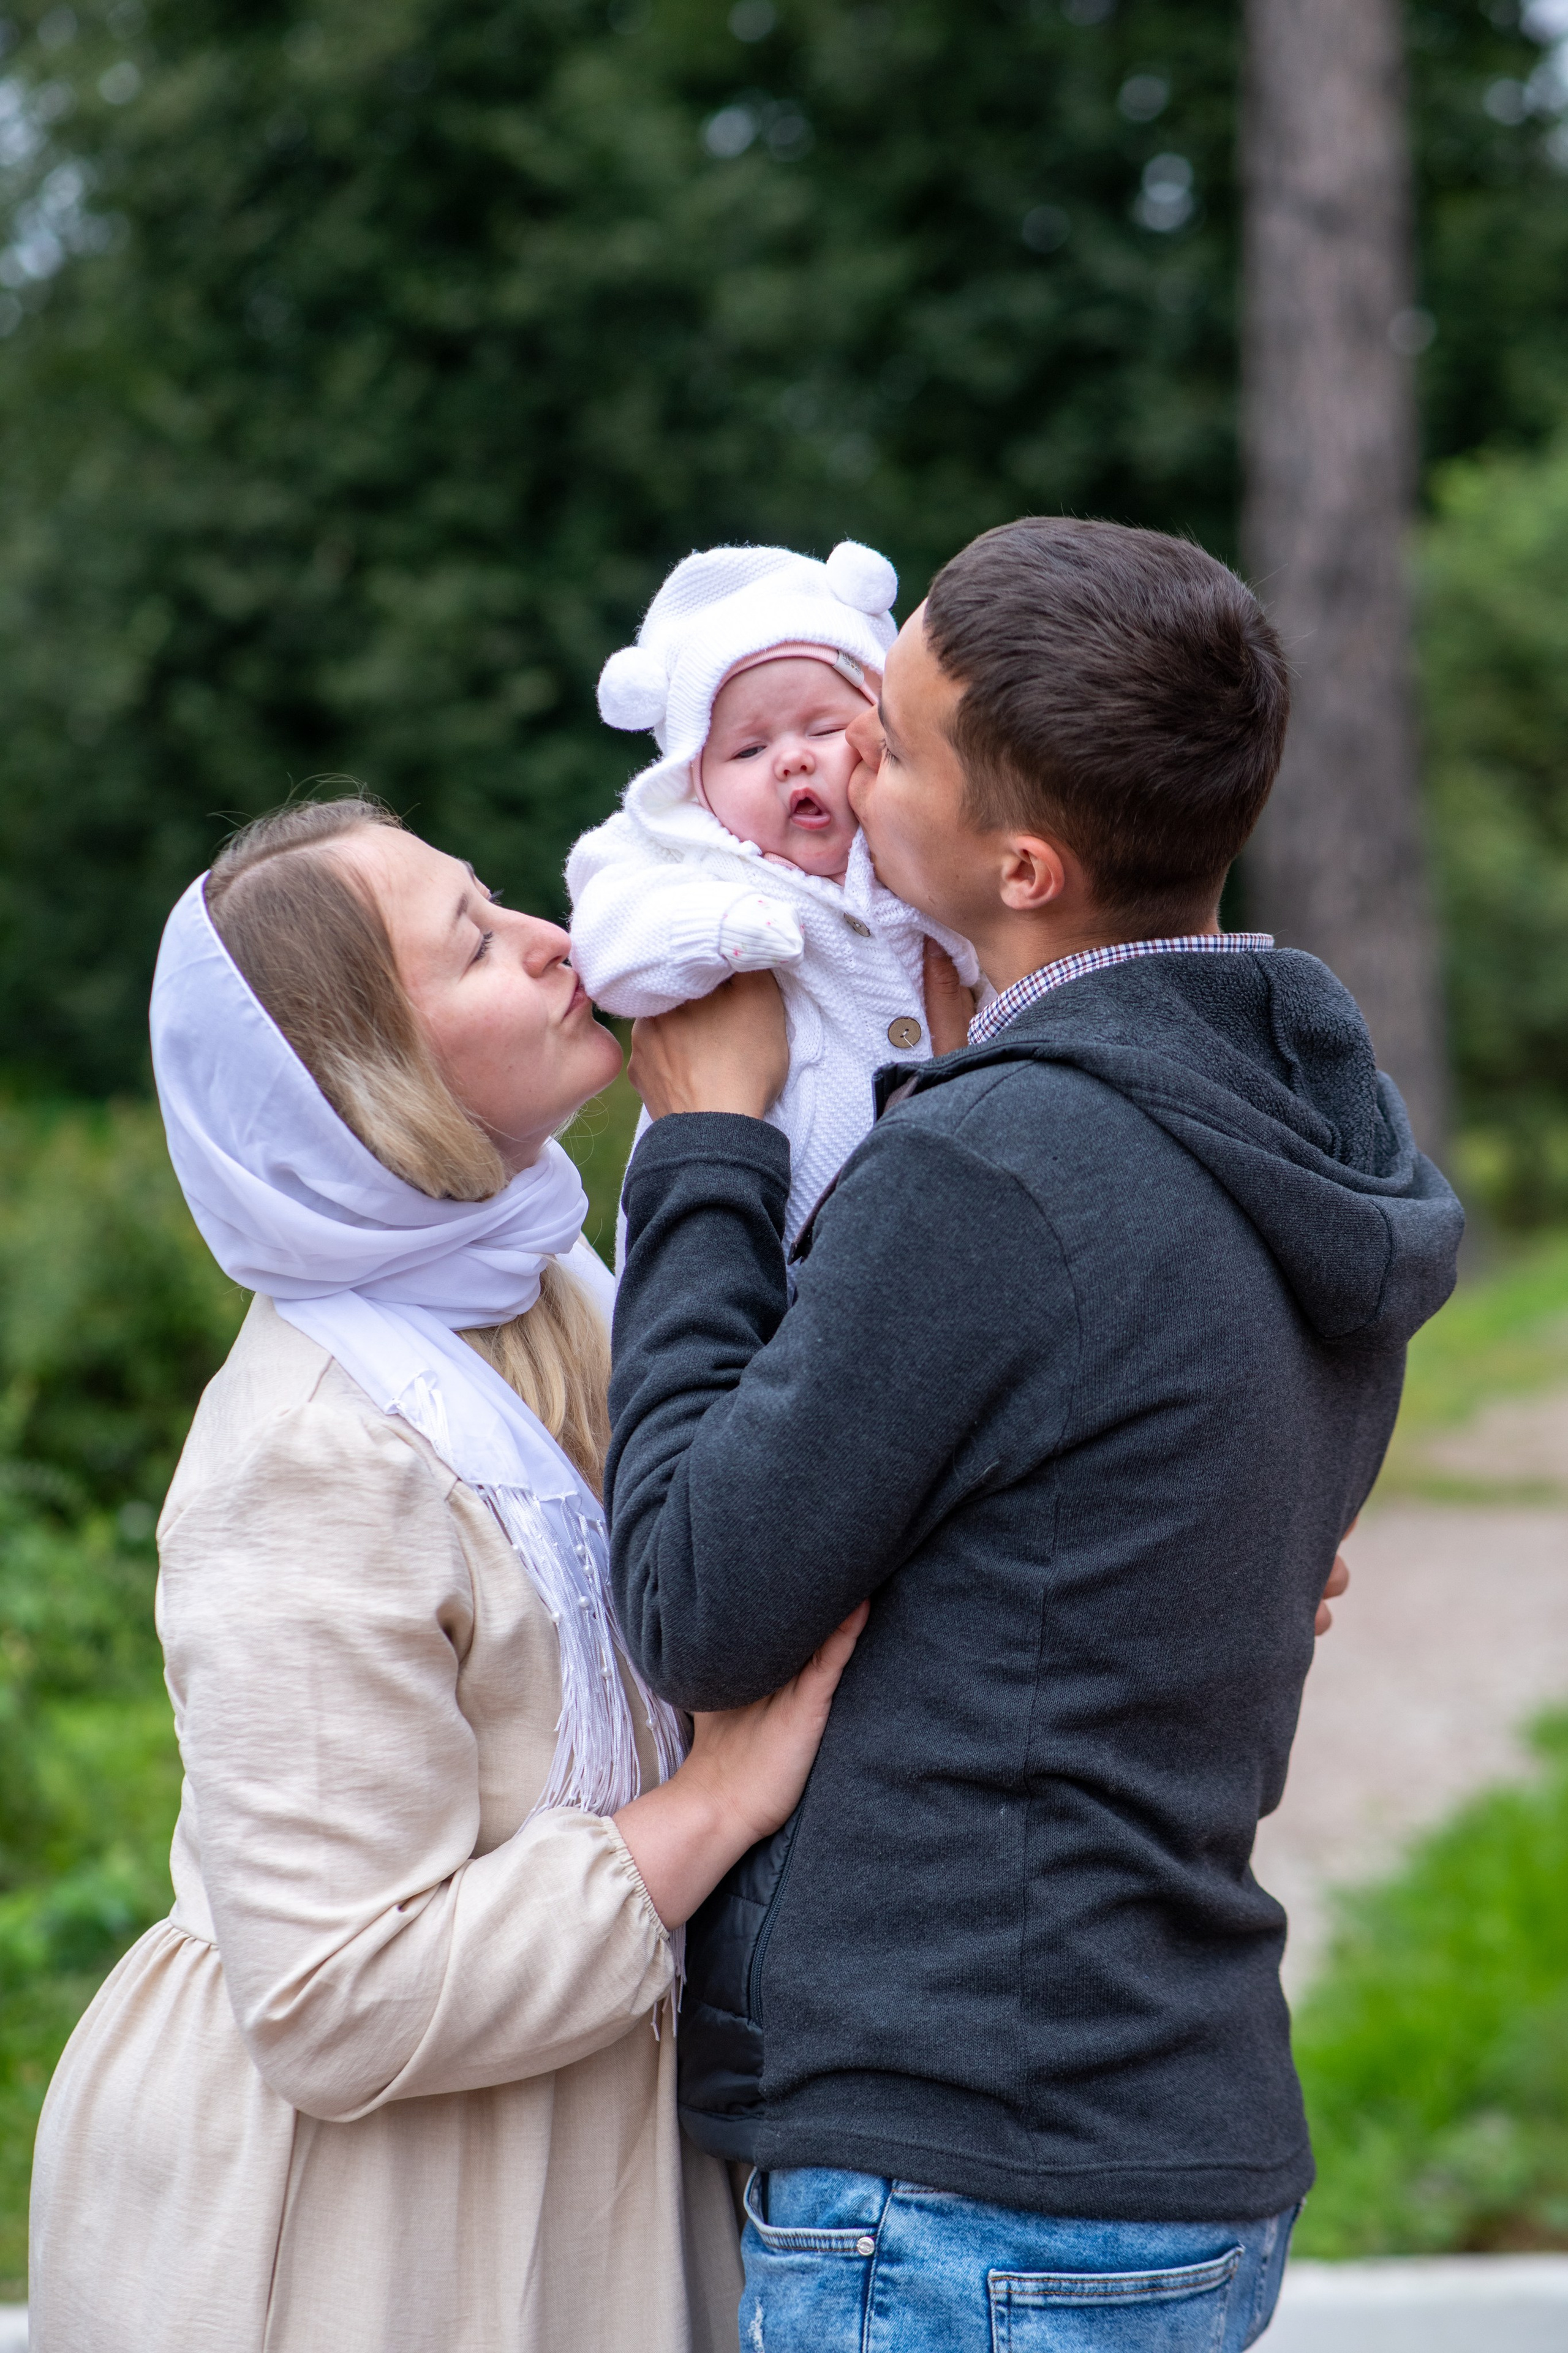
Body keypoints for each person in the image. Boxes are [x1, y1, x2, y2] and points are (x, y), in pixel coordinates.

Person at [605, 519, 1466, 2352]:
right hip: (1166, 2126)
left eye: (890, 742)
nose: (838, 758)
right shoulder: (1300, 1130)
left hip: (958, 2177)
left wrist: (705, 1143)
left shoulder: (998, 1172)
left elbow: (690, 1595)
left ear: (1023, 861)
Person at [28, 796, 866, 2353]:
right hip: (373, 2229)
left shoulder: (553, 1287)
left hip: (576, 2155)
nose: (555, 940)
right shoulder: (308, 1449)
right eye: (473, 941)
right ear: (367, 1078)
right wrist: (709, 1804)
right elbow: (333, 1996)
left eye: (498, 901)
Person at [568, 538, 983, 1246]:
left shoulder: (928, 832)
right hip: (755, 1210)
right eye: (748, 750)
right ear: (692, 780)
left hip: (947, 1201)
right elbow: (608, 946)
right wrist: (716, 928)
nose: (792, 758)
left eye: (823, 728)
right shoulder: (683, 852)